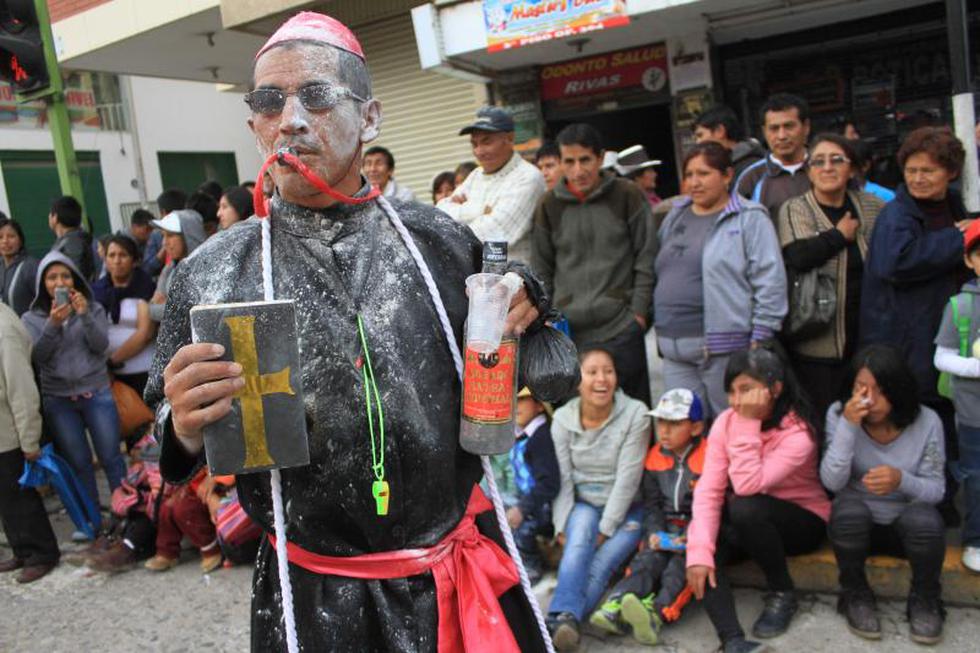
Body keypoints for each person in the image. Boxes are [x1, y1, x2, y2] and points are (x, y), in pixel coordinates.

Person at [147, 12, 553, 651]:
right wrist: (184, 425)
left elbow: (547, 371)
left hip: (455, 571)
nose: (291, 120)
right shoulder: (213, 271)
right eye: (269, 102)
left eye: (315, 96)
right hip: (313, 593)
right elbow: (169, 449)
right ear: (254, 123)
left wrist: (533, 301)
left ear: (369, 118)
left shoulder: (441, 243)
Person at [861, 126, 975, 522]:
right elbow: (895, 262)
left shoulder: (958, 204)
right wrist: (956, 242)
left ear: (951, 172)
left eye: (928, 170)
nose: (919, 178)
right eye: (911, 170)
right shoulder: (898, 214)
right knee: (927, 420)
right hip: (909, 339)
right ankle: (936, 506)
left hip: (947, 332)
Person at [686, 349, 830, 651]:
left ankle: (782, 592)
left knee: (744, 508)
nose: (736, 401)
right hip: (749, 521)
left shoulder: (799, 434)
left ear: (774, 389)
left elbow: (748, 484)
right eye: (732, 392)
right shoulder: (726, 421)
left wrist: (748, 422)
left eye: (746, 390)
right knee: (704, 545)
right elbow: (710, 489)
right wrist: (699, 552)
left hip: (801, 522)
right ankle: (733, 641)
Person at [822, 345, 946, 644]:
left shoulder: (928, 421)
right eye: (860, 389)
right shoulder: (839, 415)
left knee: (926, 520)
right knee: (847, 510)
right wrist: (848, 427)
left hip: (906, 529)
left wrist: (901, 480)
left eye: (879, 391)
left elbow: (937, 490)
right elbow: (832, 482)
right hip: (856, 529)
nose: (869, 400)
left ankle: (925, 599)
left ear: (898, 391)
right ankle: (854, 594)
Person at [655, 142, 787, 417]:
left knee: (732, 426)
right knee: (684, 431)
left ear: (727, 175)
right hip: (673, 349)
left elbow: (769, 279)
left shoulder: (748, 217)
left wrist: (761, 336)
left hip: (724, 350)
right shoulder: (676, 214)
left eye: (703, 174)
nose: (694, 182)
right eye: (689, 174)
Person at [533, 123, 657, 406]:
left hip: (622, 328)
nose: (578, 170)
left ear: (601, 158)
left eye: (585, 159)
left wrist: (638, 313)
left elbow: (646, 256)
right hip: (570, 335)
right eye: (569, 161)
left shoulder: (628, 194)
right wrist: (550, 318)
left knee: (634, 417)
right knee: (577, 423)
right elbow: (542, 269)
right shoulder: (548, 205)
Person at [777, 134, 885, 426]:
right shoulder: (796, 208)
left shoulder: (872, 206)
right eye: (818, 161)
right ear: (809, 170)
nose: (827, 167)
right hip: (816, 343)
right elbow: (799, 255)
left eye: (837, 160)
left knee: (869, 420)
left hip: (866, 338)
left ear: (852, 168)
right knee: (824, 425)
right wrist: (839, 235)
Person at [546, 347, 650, 650]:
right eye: (592, 372)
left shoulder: (636, 414)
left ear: (616, 378)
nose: (601, 379)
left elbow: (628, 479)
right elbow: (562, 480)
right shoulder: (563, 419)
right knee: (578, 541)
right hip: (584, 505)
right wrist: (561, 524)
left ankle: (560, 621)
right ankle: (566, 622)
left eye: (608, 371)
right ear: (578, 380)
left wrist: (606, 529)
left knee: (602, 562)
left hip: (627, 508)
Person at [589, 388, 706, 646]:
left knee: (678, 570)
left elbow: (711, 508)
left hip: (697, 533)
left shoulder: (707, 457)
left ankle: (657, 613)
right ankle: (616, 604)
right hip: (664, 527)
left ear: (696, 428)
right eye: (661, 421)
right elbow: (652, 505)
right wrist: (654, 532)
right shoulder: (654, 457)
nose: (664, 430)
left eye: (674, 423)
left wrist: (689, 538)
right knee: (646, 560)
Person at [21, 252, 126, 517]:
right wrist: (53, 324)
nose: (59, 283)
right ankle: (92, 519)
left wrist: (84, 315)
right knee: (79, 462)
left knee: (111, 457)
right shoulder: (31, 319)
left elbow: (102, 346)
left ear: (75, 279)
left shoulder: (93, 308)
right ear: (42, 283)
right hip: (59, 399)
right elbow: (38, 357)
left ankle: (126, 512)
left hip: (96, 393)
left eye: (65, 276)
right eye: (52, 277)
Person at [437, 106, 546, 264]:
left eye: (486, 142)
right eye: (474, 144)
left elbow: (493, 235)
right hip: (476, 279)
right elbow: (440, 214)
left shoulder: (528, 177)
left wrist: (458, 215)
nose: (479, 151)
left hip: (515, 280)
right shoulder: (475, 175)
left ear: (509, 139)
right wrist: (480, 210)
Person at [0, 302, 60, 584]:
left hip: (10, 434)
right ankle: (22, 550)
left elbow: (21, 389)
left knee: (20, 496)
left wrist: (29, 438)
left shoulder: (4, 328)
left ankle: (42, 553)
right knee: (6, 499)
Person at [934, 220, 980, 572]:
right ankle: (976, 540)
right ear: (969, 260)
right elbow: (942, 356)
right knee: (976, 478)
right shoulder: (961, 305)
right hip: (972, 413)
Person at [502, 386, 559, 585]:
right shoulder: (522, 436)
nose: (515, 406)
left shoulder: (541, 437)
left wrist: (522, 508)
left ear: (539, 406)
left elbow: (549, 483)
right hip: (526, 498)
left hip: (542, 506)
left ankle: (532, 569)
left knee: (523, 531)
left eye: (522, 400)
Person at [92, 234, 157, 397]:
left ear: (134, 260)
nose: (117, 260)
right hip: (110, 377)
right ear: (105, 260)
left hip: (143, 372)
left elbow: (145, 333)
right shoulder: (97, 291)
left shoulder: (146, 288)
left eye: (123, 255)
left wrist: (112, 362)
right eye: (111, 255)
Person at [736, 93, 812, 219]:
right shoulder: (751, 178)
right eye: (774, 128)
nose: (782, 136)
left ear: (806, 127)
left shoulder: (825, 168)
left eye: (789, 126)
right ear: (764, 132)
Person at [144, 467, 222, 574]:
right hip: (195, 481)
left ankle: (211, 550)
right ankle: (167, 552)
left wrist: (212, 484)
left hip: (220, 483)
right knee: (166, 508)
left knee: (185, 509)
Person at [148, 210, 207, 324]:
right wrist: (170, 306)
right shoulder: (169, 268)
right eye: (163, 236)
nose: (164, 243)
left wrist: (166, 304)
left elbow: (189, 312)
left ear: (188, 236)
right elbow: (152, 309)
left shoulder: (205, 269)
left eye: (170, 235)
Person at [693, 105, 766, 180]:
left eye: (700, 135)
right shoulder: (724, 164)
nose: (698, 142)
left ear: (719, 131)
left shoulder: (752, 167)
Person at [49, 195, 95, 281]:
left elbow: (76, 278)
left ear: (55, 218)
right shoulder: (79, 239)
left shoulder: (73, 243)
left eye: (50, 214)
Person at [0, 219, 39, 316]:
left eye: (11, 236)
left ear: (20, 240)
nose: (5, 241)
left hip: (28, 328)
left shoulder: (31, 266)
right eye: (0, 237)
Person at [127, 208, 165, 278]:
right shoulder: (124, 244)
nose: (151, 233)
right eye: (147, 229)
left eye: (152, 229)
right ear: (134, 227)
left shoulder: (148, 240)